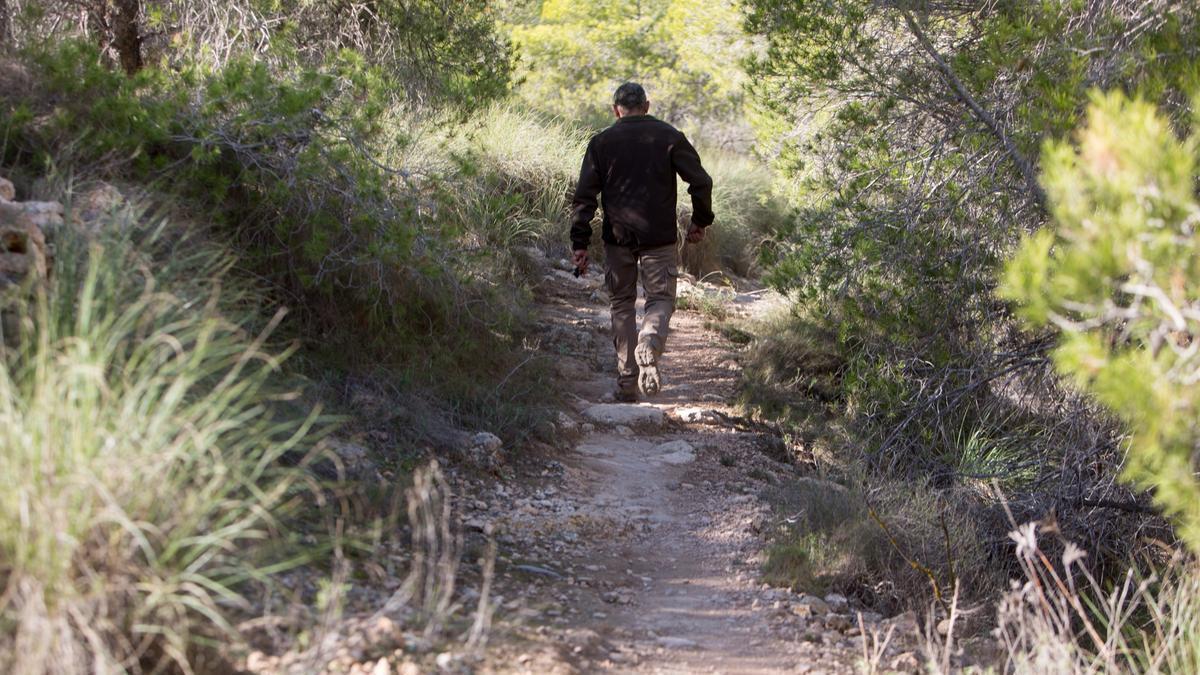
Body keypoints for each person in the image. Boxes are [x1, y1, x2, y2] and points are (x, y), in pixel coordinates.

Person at [569, 82, 714, 402]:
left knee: (621, 304)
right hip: (659, 238)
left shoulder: (601, 142)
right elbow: (701, 182)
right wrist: (699, 221)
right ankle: (649, 339)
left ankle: (626, 383)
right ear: (646, 106)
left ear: (615, 109)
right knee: (660, 300)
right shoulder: (669, 137)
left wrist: (580, 241)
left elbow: (584, 198)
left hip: (617, 238)